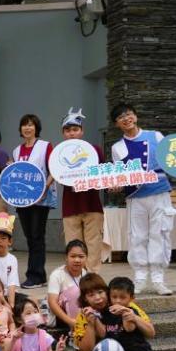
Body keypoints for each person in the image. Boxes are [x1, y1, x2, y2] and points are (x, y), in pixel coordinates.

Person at [110, 103, 176, 295]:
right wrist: (116, 184)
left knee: (160, 234)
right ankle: (140, 278)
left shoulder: (156, 136)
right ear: (117, 124)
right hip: (136, 196)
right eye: (120, 117)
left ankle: (158, 279)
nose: (126, 118)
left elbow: (173, 158)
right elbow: (120, 175)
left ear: (135, 116)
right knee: (137, 237)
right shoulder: (117, 147)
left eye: (128, 114)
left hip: (159, 192)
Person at [12, 114, 57, 288]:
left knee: (37, 236)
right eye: (24, 125)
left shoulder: (45, 146)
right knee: (30, 237)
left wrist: (44, 187)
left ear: (36, 128)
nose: (27, 128)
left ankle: (35, 276)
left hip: (40, 199)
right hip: (22, 200)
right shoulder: (17, 150)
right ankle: (40, 275)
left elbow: (53, 169)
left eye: (31, 125)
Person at [60, 108, 105, 272]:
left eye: (75, 129)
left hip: (92, 204)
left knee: (93, 245)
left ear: (81, 131)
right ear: (63, 133)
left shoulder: (95, 150)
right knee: (73, 247)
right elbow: (53, 175)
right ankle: (75, 279)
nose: (71, 133)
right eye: (67, 130)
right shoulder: (59, 155)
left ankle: (92, 278)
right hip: (70, 206)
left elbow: (104, 174)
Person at [47, 239, 89, 330]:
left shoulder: (85, 273)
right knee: (74, 292)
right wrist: (70, 321)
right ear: (66, 257)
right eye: (73, 256)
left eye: (81, 256)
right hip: (62, 318)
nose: (77, 260)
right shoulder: (57, 275)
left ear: (86, 258)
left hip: (82, 315)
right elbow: (52, 302)